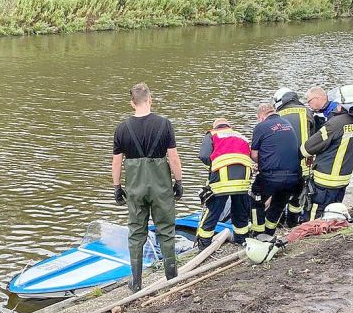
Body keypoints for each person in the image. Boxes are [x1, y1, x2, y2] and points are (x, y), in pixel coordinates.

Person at [112, 83, 183, 292]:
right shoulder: (164, 124)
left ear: (132, 103)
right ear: (150, 99)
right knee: (166, 230)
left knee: (136, 233)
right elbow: (174, 158)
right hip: (161, 187)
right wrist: (178, 182)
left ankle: (136, 282)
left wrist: (116, 187)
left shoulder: (122, 128)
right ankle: (171, 277)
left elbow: (116, 162)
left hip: (135, 189)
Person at [301, 85, 353, 220]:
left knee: (315, 213)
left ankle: (312, 237)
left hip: (326, 179)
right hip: (344, 177)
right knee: (333, 212)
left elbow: (307, 148)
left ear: (342, 104)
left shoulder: (335, 124)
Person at [197, 118, 254, 247]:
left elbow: (204, 155)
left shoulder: (212, 134)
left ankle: (204, 243)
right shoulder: (241, 136)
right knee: (240, 209)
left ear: (215, 126)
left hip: (222, 178)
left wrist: (212, 168)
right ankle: (241, 240)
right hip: (243, 178)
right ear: (229, 126)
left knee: (214, 210)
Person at [250, 103, 301, 237]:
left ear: (261, 116)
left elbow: (254, 155)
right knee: (278, 204)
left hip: (271, 176)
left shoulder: (261, 126)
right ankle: (269, 233)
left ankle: (258, 233)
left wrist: (261, 163)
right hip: (293, 176)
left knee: (256, 201)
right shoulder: (287, 123)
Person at [272, 88, 316, 227]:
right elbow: (314, 136)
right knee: (298, 194)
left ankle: (278, 222)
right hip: (303, 161)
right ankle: (293, 222)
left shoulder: (278, 115)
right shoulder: (306, 112)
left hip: (282, 163)